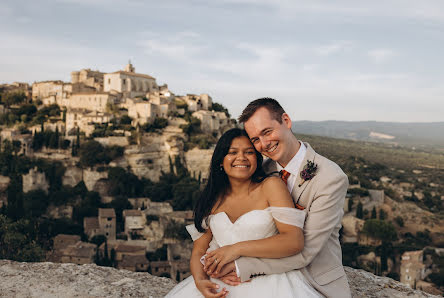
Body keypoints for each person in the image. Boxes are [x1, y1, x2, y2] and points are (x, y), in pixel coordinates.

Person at [211, 98, 351, 298]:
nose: (264, 144)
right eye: (255, 140)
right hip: (262, 279)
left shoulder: (330, 178)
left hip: (314, 281)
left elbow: (306, 251)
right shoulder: (261, 171)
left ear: (286, 121)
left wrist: (238, 265)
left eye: (267, 132)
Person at [166, 128, 322, 298]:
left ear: (257, 159)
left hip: (271, 283)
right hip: (220, 282)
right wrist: (200, 280)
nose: (241, 157)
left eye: (249, 152)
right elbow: (198, 251)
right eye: (232, 152)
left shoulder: (271, 186)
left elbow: (293, 241)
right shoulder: (213, 197)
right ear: (220, 161)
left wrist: (236, 249)